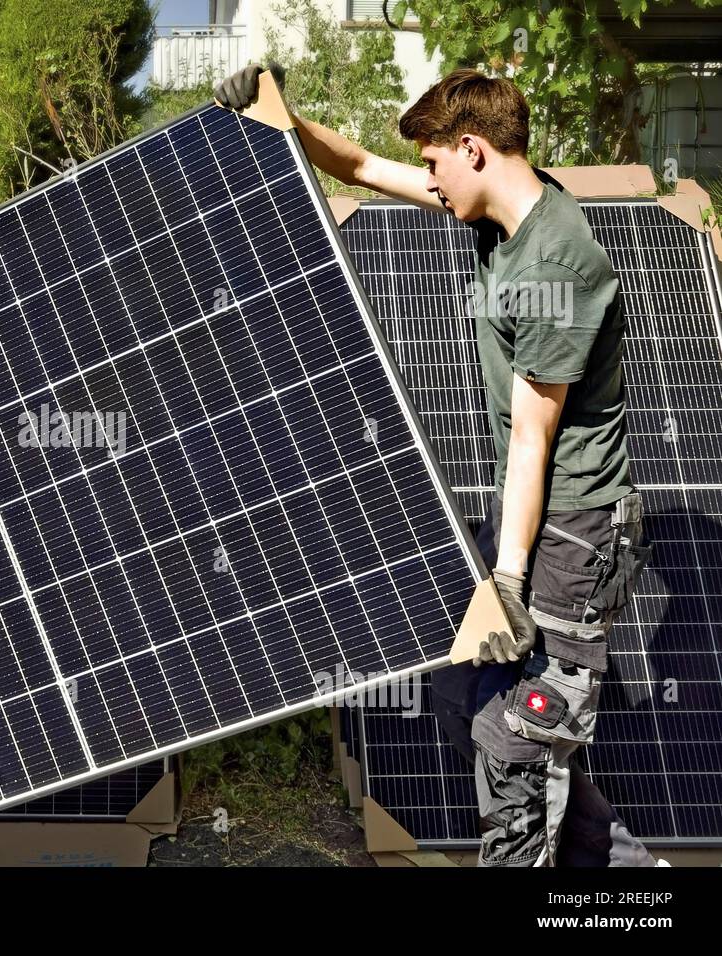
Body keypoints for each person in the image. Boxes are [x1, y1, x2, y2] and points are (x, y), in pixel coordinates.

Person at [216, 65, 657, 866]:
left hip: (576, 534)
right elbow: (358, 168)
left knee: (517, 741)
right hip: (532, 516)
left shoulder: (556, 268)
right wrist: (277, 112)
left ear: (473, 148)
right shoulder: (500, 210)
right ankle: (622, 873)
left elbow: (534, 437)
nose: (426, 180)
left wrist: (512, 583)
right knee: (464, 698)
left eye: (433, 162)